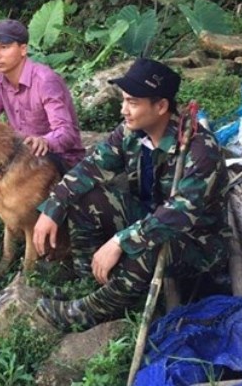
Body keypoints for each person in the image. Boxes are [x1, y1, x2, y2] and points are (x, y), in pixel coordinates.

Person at [32, 57, 230, 331]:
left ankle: (88, 312)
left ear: (161, 106)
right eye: (123, 100)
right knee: (84, 200)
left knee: (147, 245)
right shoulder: (130, 133)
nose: (123, 110)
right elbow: (91, 168)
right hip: (148, 218)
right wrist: (54, 206)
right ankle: (91, 285)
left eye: (133, 103)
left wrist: (120, 241)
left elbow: (178, 215)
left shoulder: (199, 149)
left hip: (197, 241)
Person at [0, 19, 85, 172]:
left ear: (23, 49)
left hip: (59, 160)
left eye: (4, 47)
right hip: (23, 160)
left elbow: (66, 132)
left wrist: (45, 141)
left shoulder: (45, 81)